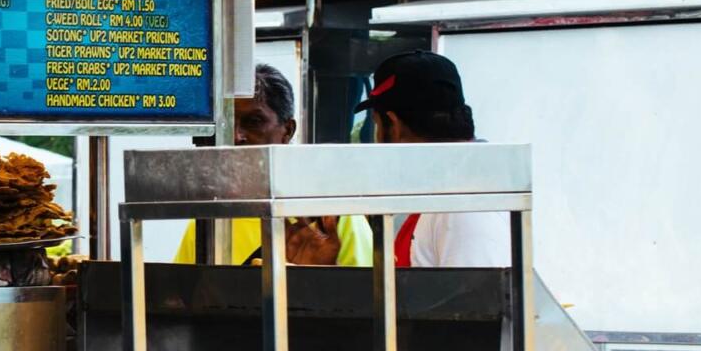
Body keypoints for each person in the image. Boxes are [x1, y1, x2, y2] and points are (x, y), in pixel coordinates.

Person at [174, 63, 372, 267]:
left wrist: (315, 279)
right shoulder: (210, 222)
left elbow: (372, 294)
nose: (236, 136)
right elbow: (184, 295)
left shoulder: (333, 215)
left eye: (254, 121)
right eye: (228, 122)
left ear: (287, 130)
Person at [353, 50, 511, 267]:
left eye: (378, 125)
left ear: (394, 125)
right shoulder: (444, 194)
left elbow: (477, 298)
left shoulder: (464, 207)